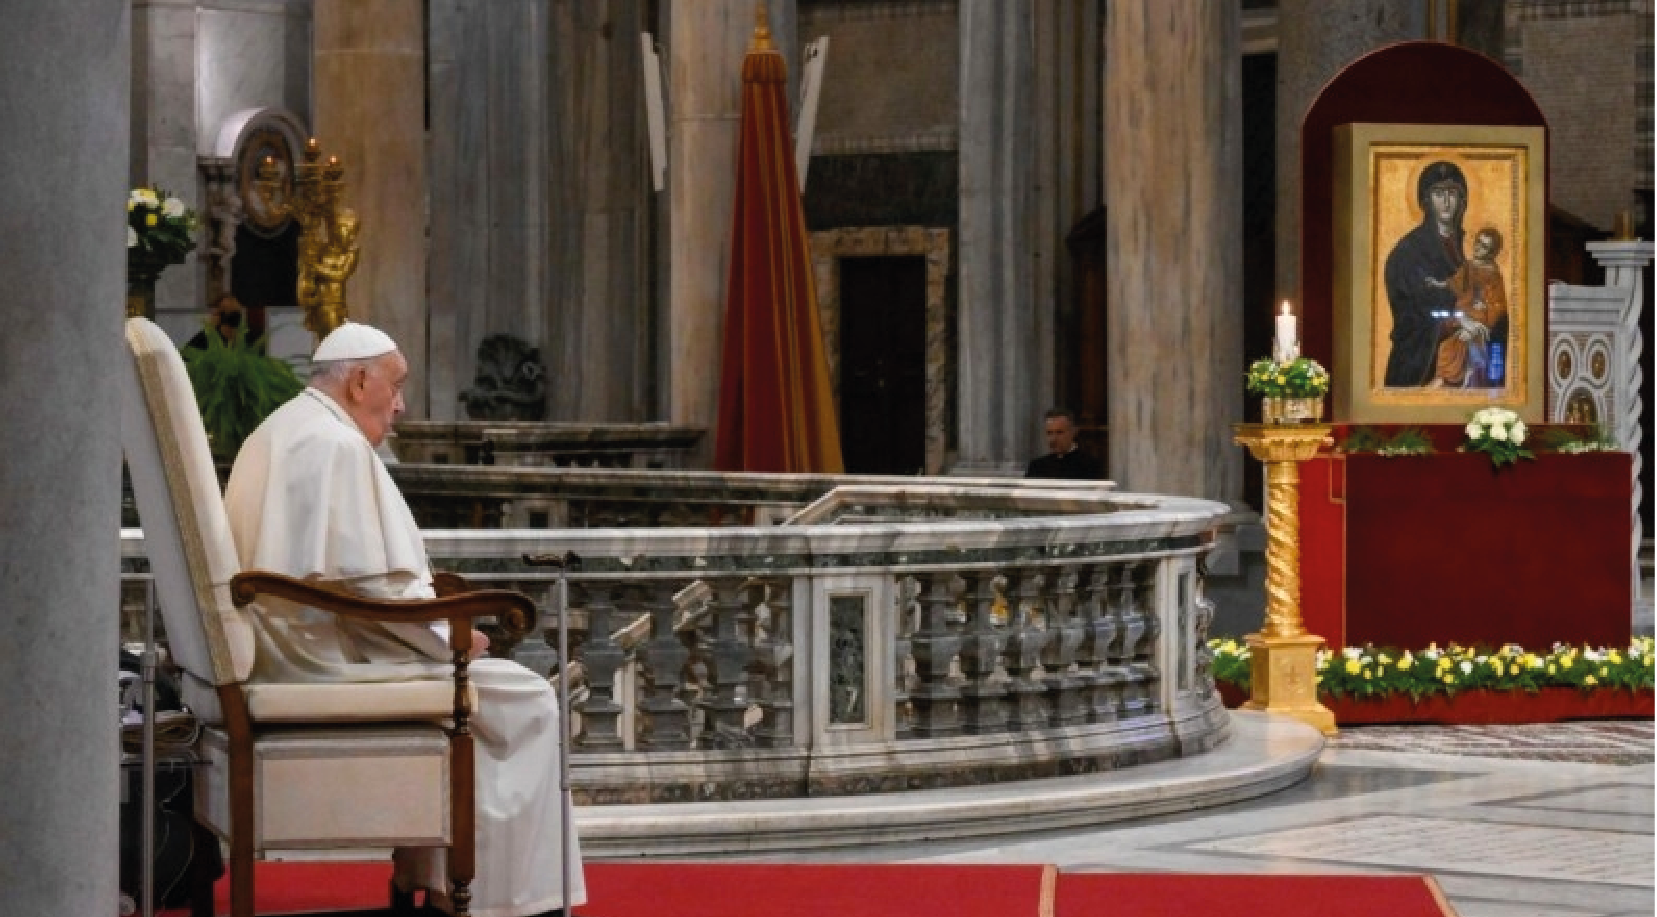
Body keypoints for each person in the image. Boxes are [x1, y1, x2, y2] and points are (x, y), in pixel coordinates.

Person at [223, 321, 584, 917]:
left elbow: (346, 577)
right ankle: (499, 899)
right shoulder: (334, 445)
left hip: (292, 646)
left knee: (493, 690)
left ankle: (437, 880)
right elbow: (374, 586)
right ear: (360, 380)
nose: (401, 404)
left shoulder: (283, 428)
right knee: (524, 697)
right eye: (394, 385)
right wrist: (454, 633)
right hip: (320, 663)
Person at [1382, 160, 1468, 387]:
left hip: (1462, 354)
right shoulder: (1409, 251)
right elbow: (1414, 311)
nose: (1447, 202)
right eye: (1439, 194)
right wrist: (1455, 322)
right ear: (1427, 200)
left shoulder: (1464, 246)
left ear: (1462, 200)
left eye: (1452, 193)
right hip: (1419, 361)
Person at [1426, 226, 1508, 388]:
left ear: (1492, 252)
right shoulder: (1469, 266)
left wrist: (1484, 306)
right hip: (1465, 310)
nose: (1478, 247)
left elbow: (1498, 304)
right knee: (1447, 345)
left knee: (1458, 344)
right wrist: (1438, 284)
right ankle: (1445, 378)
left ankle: (1452, 378)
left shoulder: (1493, 273)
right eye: (1478, 242)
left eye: (1484, 246)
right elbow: (1455, 281)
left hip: (1481, 314)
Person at [1025, 408, 1103, 480]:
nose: (1053, 439)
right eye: (1049, 433)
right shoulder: (1037, 467)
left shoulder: (1090, 466)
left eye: (1059, 432)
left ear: (1074, 431)